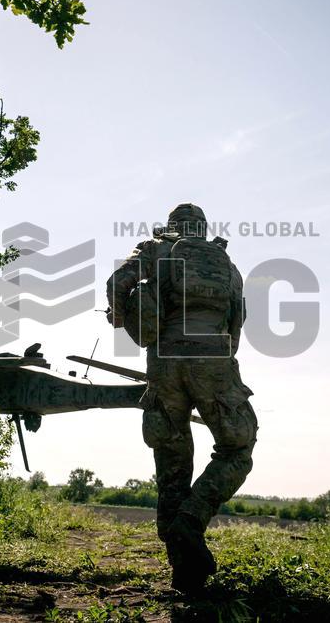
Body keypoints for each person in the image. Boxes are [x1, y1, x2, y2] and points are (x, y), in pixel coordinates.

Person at [105, 203, 258, 593]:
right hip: (215, 360)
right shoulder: (225, 262)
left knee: (172, 464)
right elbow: (237, 318)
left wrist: (125, 321)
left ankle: (183, 569)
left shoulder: (154, 250)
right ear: (204, 229)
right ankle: (191, 521)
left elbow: (116, 283)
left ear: (171, 226)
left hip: (164, 363)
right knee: (237, 447)